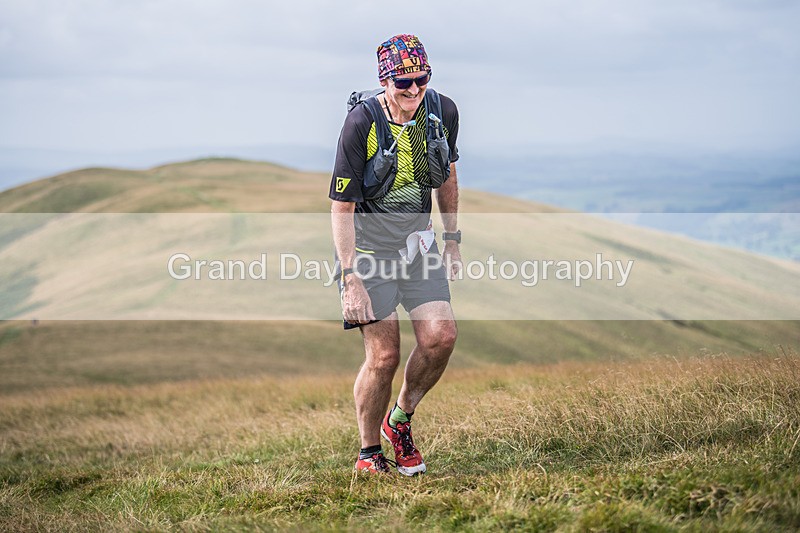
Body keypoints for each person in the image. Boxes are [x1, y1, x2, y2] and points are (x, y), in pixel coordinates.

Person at [329, 34, 462, 475]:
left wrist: (452, 238)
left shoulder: (442, 112)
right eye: (404, 81)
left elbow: (446, 174)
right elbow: (341, 206)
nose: (414, 89)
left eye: (421, 79)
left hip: (418, 246)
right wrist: (349, 277)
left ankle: (398, 420)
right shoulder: (361, 124)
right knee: (383, 357)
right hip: (367, 253)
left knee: (441, 336)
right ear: (384, 79)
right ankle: (369, 454)